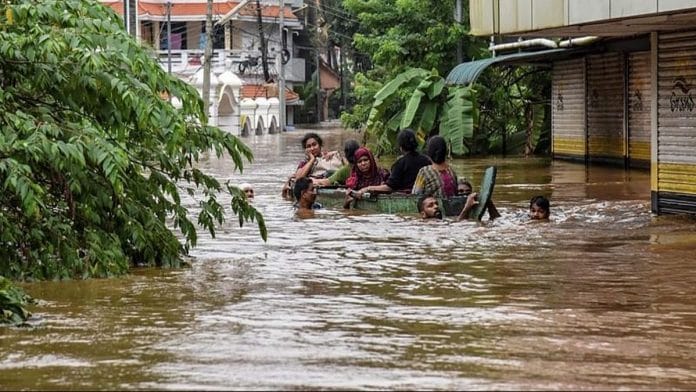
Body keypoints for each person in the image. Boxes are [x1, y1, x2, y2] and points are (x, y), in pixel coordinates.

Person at [357, 129, 431, 196]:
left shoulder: (400, 163)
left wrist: (368, 188)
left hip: (405, 197)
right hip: (425, 196)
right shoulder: (426, 160)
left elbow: (389, 187)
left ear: (401, 147)